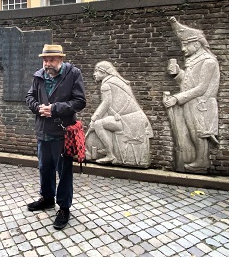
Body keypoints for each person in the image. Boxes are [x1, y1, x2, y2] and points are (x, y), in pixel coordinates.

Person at [26, 44, 86, 230]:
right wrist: (38, 108)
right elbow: (29, 97)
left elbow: (80, 101)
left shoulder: (73, 74)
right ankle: (47, 198)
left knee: (64, 172)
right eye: (45, 59)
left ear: (61, 59)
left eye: (51, 60)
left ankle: (64, 208)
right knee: (45, 167)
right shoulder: (38, 76)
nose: (47, 63)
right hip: (43, 132)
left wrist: (54, 109)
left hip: (63, 133)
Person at [163, 17, 220, 171]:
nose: (183, 49)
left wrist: (177, 98)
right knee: (192, 132)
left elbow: (201, 88)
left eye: (186, 45)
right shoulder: (194, 60)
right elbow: (189, 83)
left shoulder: (208, 61)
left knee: (200, 133)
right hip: (191, 103)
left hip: (202, 104)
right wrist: (178, 73)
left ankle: (202, 162)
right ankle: (199, 161)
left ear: (196, 43)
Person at [86, 61, 153, 167]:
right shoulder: (118, 81)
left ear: (104, 72)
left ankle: (110, 154)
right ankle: (108, 148)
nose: (94, 74)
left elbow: (106, 103)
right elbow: (117, 105)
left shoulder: (106, 84)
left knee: (98, 124)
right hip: (136, 118)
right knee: (101, 123)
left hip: (128, 121)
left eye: (96, 71)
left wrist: (94, 118)